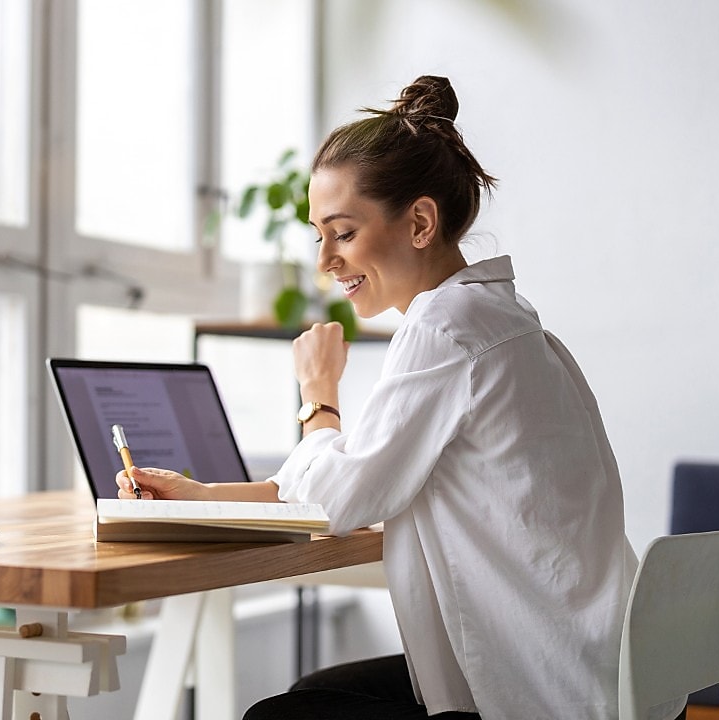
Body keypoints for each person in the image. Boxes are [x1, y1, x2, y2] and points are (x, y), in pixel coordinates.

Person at [115, 75, 655, 720]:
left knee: (283, 713)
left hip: (542, 690)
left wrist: (318, 393)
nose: (326, 261)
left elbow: (340, 499)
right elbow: (360, 475)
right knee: (312, 695)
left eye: (342, 233)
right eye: (319, 235)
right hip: (595, 671)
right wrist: (205, 497)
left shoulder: (446, 328)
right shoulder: (502, 320)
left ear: (420, 222)